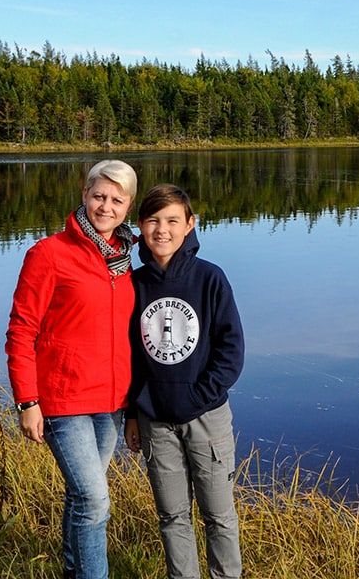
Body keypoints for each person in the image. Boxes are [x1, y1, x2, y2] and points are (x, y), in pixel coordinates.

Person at [4, 159, 139, 579]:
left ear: (128, 207)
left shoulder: (124, 260)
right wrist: (27, 401)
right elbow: (21, 330)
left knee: (81, 498)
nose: (106, 207)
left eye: (116, 200)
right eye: (99, 196)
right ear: (84, 195)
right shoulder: (49, 254)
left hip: (111, 402)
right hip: (63, 401)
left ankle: (71, 570)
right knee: (95, 500)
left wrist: (134, 406)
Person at [124, 183, 245, 579]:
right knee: (172, 516)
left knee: (218, 516)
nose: (163, 230)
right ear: (140, 225)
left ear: (190, 224)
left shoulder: (210, 278)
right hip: (154, 422)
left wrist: (197, 398)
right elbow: (130, 356)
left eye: (173, 221)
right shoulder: (134, 284)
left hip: (206, 419)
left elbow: (231, 351)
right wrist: (132, 413)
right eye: (153, 221)